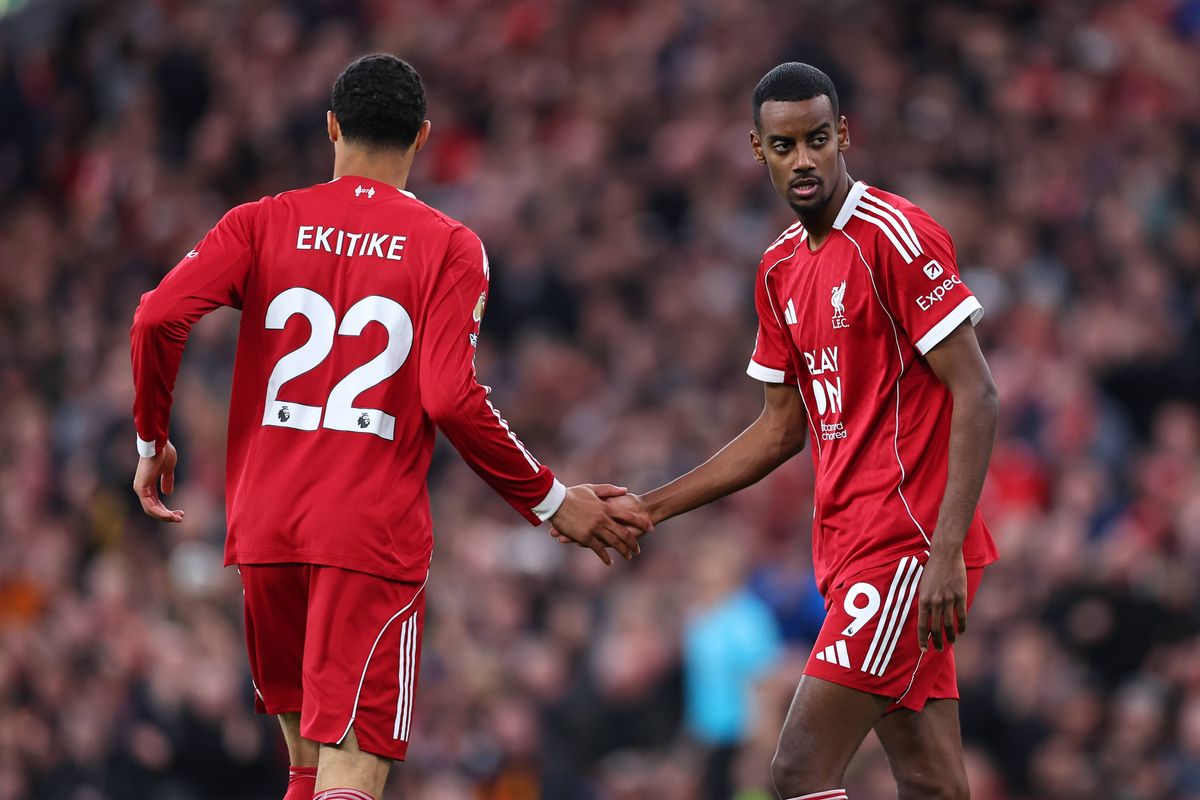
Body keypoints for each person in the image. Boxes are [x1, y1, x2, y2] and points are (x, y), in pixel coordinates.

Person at [130, 54, 650, 800]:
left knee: (307, 769)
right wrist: (550, 498)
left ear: (332, 128)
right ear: (423, 137)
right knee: (353, 767)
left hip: (266, 530)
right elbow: (450, 395)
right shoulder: (448, 245)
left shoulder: (261, 221)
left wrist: (152, 439)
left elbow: (155, 315)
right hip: (368, 538)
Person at [586, 62, 1000, 799]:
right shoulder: (778, 267)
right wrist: (651, 507)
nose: (803, 159)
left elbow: (978, 392)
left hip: (905, 547)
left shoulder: (894, 236)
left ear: (843, 135)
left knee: (797, 767)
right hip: (847, 551)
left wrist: (945, 554)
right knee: (932, 780)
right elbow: (779, 430)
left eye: (817, 140)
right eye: (784, 146)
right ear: (758, 150)